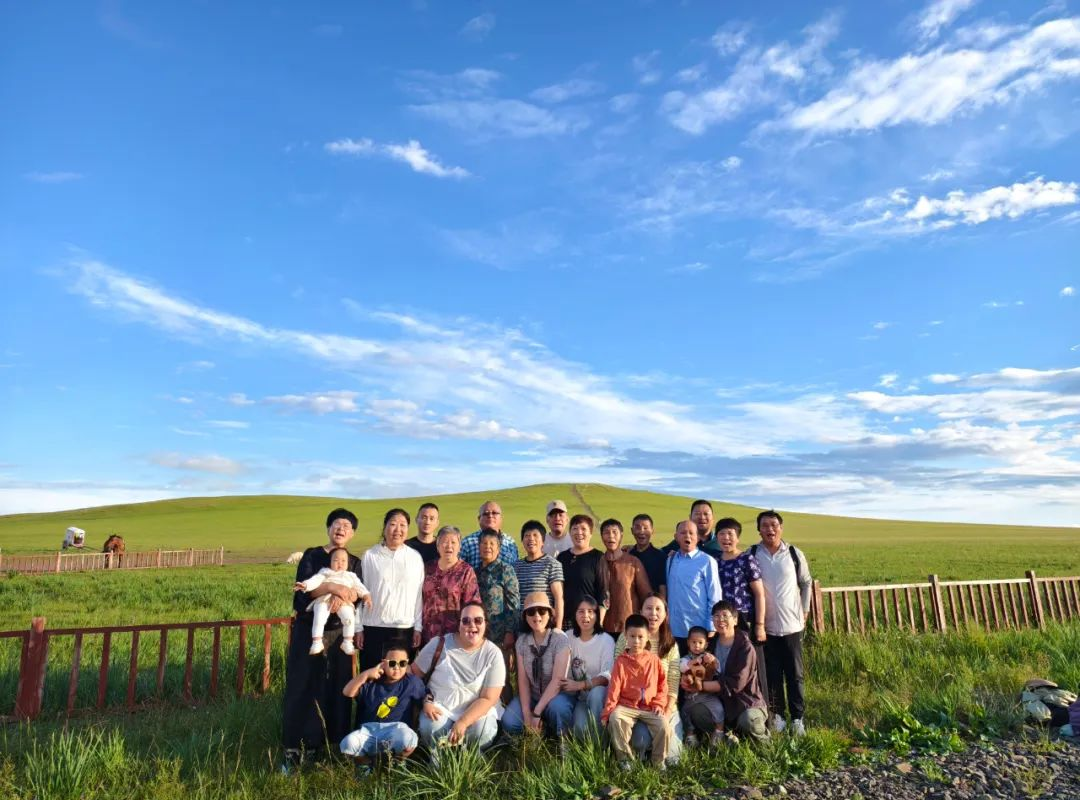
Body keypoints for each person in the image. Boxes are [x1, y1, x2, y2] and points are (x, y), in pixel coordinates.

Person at [282, 508, 364, 770]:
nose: (341, 529)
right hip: (309, 630)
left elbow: (358, 594)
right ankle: (294, 748)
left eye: (347, 526)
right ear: (328, 528)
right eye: (337, 524)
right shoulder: (312, 555)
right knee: (303, 685)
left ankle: (333, 746)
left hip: (340, 633)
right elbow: (301, 593)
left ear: (353, 533)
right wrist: (331, 587)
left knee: (338, 686)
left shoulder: (354, 562)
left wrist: (346, 596)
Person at [412, 603, 505, 754]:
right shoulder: (439, 644)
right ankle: (440, 754)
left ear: (485, 624)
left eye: (478, 620)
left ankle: (470, 754)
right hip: (441, 708)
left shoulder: (493, 653)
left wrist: (463, 722)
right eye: (466, 621)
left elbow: (489, 698)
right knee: (431, 727)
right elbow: (414, 674)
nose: (472, 625)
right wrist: (425, 700)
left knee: (483, 731)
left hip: (475, 712)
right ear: (459, 624)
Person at [751, 510, 812, 736]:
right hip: (765, 627)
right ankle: (778, 716)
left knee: (795, 674)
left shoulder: (794, 554)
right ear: (759, 530)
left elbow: (806, 582)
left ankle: (797, 718)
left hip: (792, 626)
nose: (770, 529)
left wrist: (804, 610)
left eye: (774, 525)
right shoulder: (753, 554)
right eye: (765, 525)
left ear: (781, 528)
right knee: (772, 674)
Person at [612, 594, 682, 761]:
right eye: (648, 608)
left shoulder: (671, 645)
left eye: (658, 609)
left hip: (661, 705)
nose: (653, 613)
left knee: (674, 758)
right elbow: (617, 671)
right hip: (633, 704)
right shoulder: (626, 637)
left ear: (665, 614)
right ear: (641, 611)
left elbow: (673, 682)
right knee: (640, 743)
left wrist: (666, 711)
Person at [340, 643, 426, 773]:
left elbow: (425, 695)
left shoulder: (411, 682)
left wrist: (429, 703)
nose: (397, 667)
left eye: (402, 663)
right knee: (348, 744)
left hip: (395, 729)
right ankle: (365, 765)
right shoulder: (372, 682)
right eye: (392, 663)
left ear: (407, 664)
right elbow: (347, 692)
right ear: (383, 663)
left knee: (408, 738)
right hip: (369, 731)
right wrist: (366, 674)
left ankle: (397, 762)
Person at [502, 592, 575, 742]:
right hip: (534, 696)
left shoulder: (560, 639)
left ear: (549, 614)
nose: (537, 616)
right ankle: (535, 734)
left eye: (542, 611)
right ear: (525, 617)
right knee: (509, 721)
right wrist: (526, 713)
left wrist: (536, 712)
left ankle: (563, 741)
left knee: (559, 709)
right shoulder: (522, 642)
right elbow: (523, 681)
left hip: (558, 696)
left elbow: (558, 681)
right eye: (531, 612)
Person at [358, 508, 425, 671]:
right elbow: (360, 591)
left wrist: (418, 627)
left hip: (404, 628)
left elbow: (418, 595)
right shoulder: (370, 555)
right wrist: (358, 628)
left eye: (403, 525)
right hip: (373, 627)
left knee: (399, 677)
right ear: (385, 527)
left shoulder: (415, 557)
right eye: (393, 524)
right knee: (372, 675)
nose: (398, 530)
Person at [602, 613, 671, 770]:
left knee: (664, 725)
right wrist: (607, 712)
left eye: (640, 637)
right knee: (615, 718)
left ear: (648, 637)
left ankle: (658, 761)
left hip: (649, 707)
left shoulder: (654, 660)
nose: (636, 641)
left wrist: (658, 703)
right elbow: (614, 688)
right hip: (626, 705)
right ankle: (625, 759)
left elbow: (662, 685)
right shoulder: (621, 662)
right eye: (632, 636)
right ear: (626, 635)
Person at [695, 601, 769, 743]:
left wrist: (700, 686)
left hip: (745, 703)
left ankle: (765, 743)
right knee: (698, 712)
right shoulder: (710, 644)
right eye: (716, 616)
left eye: (725, 615)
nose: (720, 619)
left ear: (735, 620)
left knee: (749, 721)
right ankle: (728, 737)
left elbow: (735, 684)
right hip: (721, 703)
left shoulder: (745, 647)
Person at [714, 517, 768, 702]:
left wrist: (760, 624)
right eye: (722, 534)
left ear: (737, 537)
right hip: (721, 619)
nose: (726, 538)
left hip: (744, 618)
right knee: (726, 662)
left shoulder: (746, 559)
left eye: (730, 534)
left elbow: (759, 594)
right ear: (716, 537)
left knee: (751, 663)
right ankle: (728, 708)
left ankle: (759, 707)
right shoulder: (715, 561)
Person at [294, 546, 371, 655]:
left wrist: (366, 595)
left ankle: (347, 641)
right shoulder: (325, 572)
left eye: (343, 561)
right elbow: (315, 580)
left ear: (348, 563)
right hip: (324, 600)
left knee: (349, 617)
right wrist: (305, 585)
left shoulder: (351, 576)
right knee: (320, 616)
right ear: (330, 562)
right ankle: (317, 641)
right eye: (336, 560)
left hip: (344, 602)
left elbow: (359, 587)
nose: (340, 563)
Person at [665, 520, 723, 653]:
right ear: (676, 537)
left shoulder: (707, 561)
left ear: (698, 537)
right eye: (683, 533)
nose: (688, 536)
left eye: (691, 533)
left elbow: (715, 595)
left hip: (698, 631)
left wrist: (711, 625)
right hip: (674, 630)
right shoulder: (670, 560)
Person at [561, 595, 614, 736]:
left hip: (601, 696)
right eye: (581, 611)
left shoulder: (606, 640)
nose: (586, 616)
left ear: (597, 615)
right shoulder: (567, 637)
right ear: (574, 614)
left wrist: (581, 685)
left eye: (590, 611)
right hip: (581, 698)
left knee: (596, 694)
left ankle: (601, 742)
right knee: (580, 730)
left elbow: (607, 677)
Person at [421, 525, 481, 645]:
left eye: (453, 542)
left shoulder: (466, 571)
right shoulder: (427, 568)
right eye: (444, 542)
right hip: (427, 634)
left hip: (454, 636)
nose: (449, 546)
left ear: (459, 547)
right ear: (437, 546)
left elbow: (472, 605)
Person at [597, 518, 651, 635]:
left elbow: (646, 595)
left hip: (628, 629)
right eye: (606, 533)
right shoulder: (597, 562)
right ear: (601, 537)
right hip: (602, 628)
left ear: (621, 535)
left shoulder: (633, 562)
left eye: (614, 532)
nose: (611, 536)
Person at [678, 626, 725, 747]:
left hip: (707, 695)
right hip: (690, 696)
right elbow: (682, 667)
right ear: (688, 643)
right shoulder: (686, 658)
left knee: (718, 709)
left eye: (700, 643)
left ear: (706, 644)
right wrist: (694, 662)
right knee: (684, 712)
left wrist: (713, 661)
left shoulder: (708, 657)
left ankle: (719, 732)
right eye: (693, 642)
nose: (697, 646)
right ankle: (690, 735)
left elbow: (718, 670)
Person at [514, 519, 565, 629]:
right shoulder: (516, 566)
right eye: (527, 536)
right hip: (522, 624)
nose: (531, 539)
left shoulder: (552, 564)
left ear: (543, 541)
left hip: (544, 623)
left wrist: (558, 628)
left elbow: (558, 597)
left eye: (535, 535)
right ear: (522, 541)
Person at [557, 515, 604, 631]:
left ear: (591, 533)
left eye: (583, 529)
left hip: (589, 620)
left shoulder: (598, 557)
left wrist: (599, 623)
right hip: (566, 620)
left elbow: (603, 592)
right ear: (570, 532)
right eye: (575, 528)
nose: (579, 532)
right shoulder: (562, 557)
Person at [460, 501, 520, 570]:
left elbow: (516, 569)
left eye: (494, 513)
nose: (490, 516)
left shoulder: (510, 543)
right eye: (486, 514)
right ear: (479, 519)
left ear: (501, 518)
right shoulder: (467, 543)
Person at [626, 514, 667, 598]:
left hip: (652, 603)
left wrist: (662, 604)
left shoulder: (660, 556)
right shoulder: (627, 555)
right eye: (638, 528)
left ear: (652, 531)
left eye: (645, 528)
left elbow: (662, 586)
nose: (642, 532)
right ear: (632, 530)